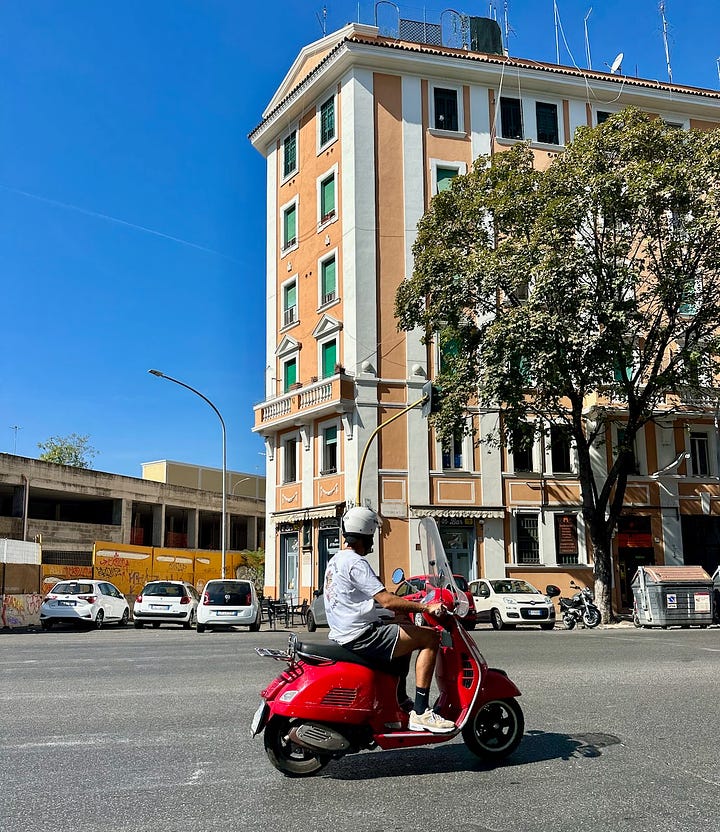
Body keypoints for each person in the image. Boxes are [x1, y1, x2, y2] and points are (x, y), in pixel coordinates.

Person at [323, 505, 455, 734]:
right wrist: (426, 606)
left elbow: (359, 600)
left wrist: (396, 612)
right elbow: (386, 600)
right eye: (372, 536)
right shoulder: (356, 562)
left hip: (347, 631)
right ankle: (422, 713)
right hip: (360, 636)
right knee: (430, 639)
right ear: (365, 535)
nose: (373, 542)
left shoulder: (337, 560)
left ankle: (400, 700)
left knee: (403, 628)